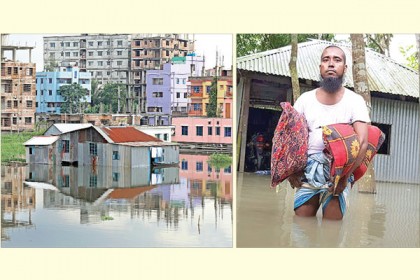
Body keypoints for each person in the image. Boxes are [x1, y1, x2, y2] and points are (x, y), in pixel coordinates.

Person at [290, 45, 370, 220]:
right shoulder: (305, 99)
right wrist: (291, 171)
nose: (331, 64)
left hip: (340, 170)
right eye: (326, 60)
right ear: (320, 67)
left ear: (345, 68)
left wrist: (344, 178)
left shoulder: (355, 101)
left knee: (332, 226)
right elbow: (290, 139)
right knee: (301, 225)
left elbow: (363, 142)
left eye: (337, 60)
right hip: (307, 168)